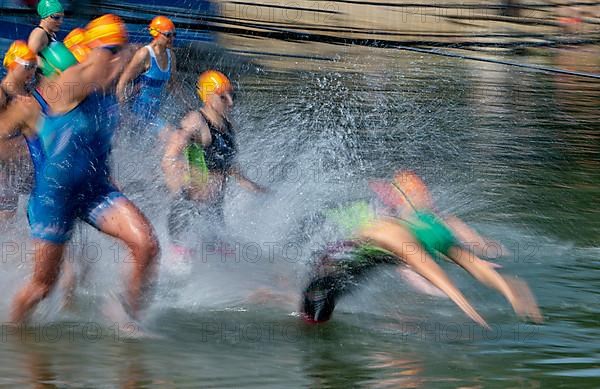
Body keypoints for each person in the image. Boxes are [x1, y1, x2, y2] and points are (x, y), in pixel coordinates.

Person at [9, 15, 159, 324]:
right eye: (112, 51)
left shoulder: (107, 92)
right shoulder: (69, 85)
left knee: (147, 245)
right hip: (54, 198)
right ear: (93, 52)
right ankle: (13, 330)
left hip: (95, 189)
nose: (120, 57)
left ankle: (128, 319)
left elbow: (99, 144)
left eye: (120, 51)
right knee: (43, 287)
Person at [301, 171, 543, 326]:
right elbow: (414, 261)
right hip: (349, 255)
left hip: (370, 257)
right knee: (323, 290)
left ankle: (312, 319)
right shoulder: (386, 220)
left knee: (333, 294)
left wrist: (474, 262)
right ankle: (305, 314)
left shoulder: (420, 221)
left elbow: (421, 255)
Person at [162, 70, 266, 261]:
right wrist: (185, 184)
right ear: (208, 97)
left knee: (226, 261)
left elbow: (227, 164)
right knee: (191, 268)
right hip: (188, 215)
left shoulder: (227, 125)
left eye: (232, 95)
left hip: (213, 212)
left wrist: (251, 186)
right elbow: (170, 157)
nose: (230, 102)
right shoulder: (196, 121)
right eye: (223, 97)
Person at [116, 15, 178, 137]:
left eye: (174, 35)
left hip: (155, 113)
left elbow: (173, 86)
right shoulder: (144, 54)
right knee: (172, 137)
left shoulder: (171, 56)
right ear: (156, 34)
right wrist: (124, 112)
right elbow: (122, 83)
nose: (172, 39)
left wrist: (184, 108)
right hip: (137, 113)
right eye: (168, 35)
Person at [0, 41, 38, 227]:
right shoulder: (2, 93)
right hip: (4, 161)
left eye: (34, 66)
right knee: (7, 212)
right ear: (13, 65)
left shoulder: (28, 90)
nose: (32, 71)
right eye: (28, 66)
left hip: (22, 160)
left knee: (42, 197)